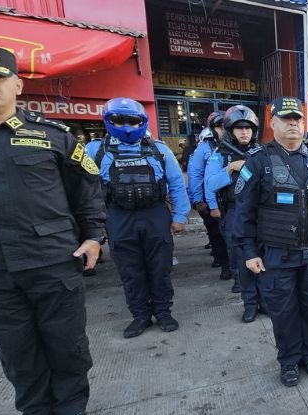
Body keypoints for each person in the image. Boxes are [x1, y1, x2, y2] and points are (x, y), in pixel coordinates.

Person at [0, 45, 104, 415]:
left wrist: (93, 237)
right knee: (16, 346)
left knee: (66, 340)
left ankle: (72, 406)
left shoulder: (52, 137)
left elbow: (87, 190)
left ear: (17, 85)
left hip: (52, 260)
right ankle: (34, 412)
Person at [233, 97, 308, 387]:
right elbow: (243, 212)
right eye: (286, 118)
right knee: (283, 312)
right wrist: (248, 251)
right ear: (273, 123)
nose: (293, 123)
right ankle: (289, 360)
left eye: (298, 119)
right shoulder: (259, 161)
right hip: (276, 255)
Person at [86, 98, 189, 338]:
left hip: (155, 215)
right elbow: (85, 191)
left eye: (133, 122)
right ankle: (140, 315)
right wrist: (94, 225)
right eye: (119, 121)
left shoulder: (159, 150)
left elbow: (176, 184)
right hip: (118, 217)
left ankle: (163, 312)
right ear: (109, 122)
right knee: (130, 270)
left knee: (160, 267)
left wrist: (180, 215)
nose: (127, 127)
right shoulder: (94, 151)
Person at [204, 105, 265, 322]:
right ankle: (250, 304)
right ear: (230, 130)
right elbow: (209, 184)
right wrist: (230, 169)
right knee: (243, 260)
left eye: (248, 128)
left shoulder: (262, 152)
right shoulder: (219, 154)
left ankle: (264, 302)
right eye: (239, 128)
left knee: (264, 258)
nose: (244, 132)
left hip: (260, 214)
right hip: (235, 213)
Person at [187, 112, 231, 277]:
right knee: (217, 234)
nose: (223, 130)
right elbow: (196, 175)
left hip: (234, 198)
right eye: (219, 127)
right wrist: (198, 200)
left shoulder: (239, 146)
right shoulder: (204, 148)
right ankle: (225, 266)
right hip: (212, 199)